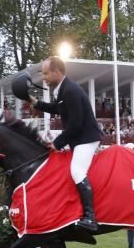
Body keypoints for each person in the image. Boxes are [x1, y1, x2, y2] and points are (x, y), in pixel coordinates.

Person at [30, 56, 103, 231]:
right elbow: (58, 109)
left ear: (57, 72)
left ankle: (90, 218)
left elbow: (75, 125)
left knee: (77, 171)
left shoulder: (70, 90)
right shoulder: (64, 89)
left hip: (86, 138)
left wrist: (57, 143)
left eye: (46, 74)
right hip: (80, 138)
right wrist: (37, 104)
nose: (44, 78)